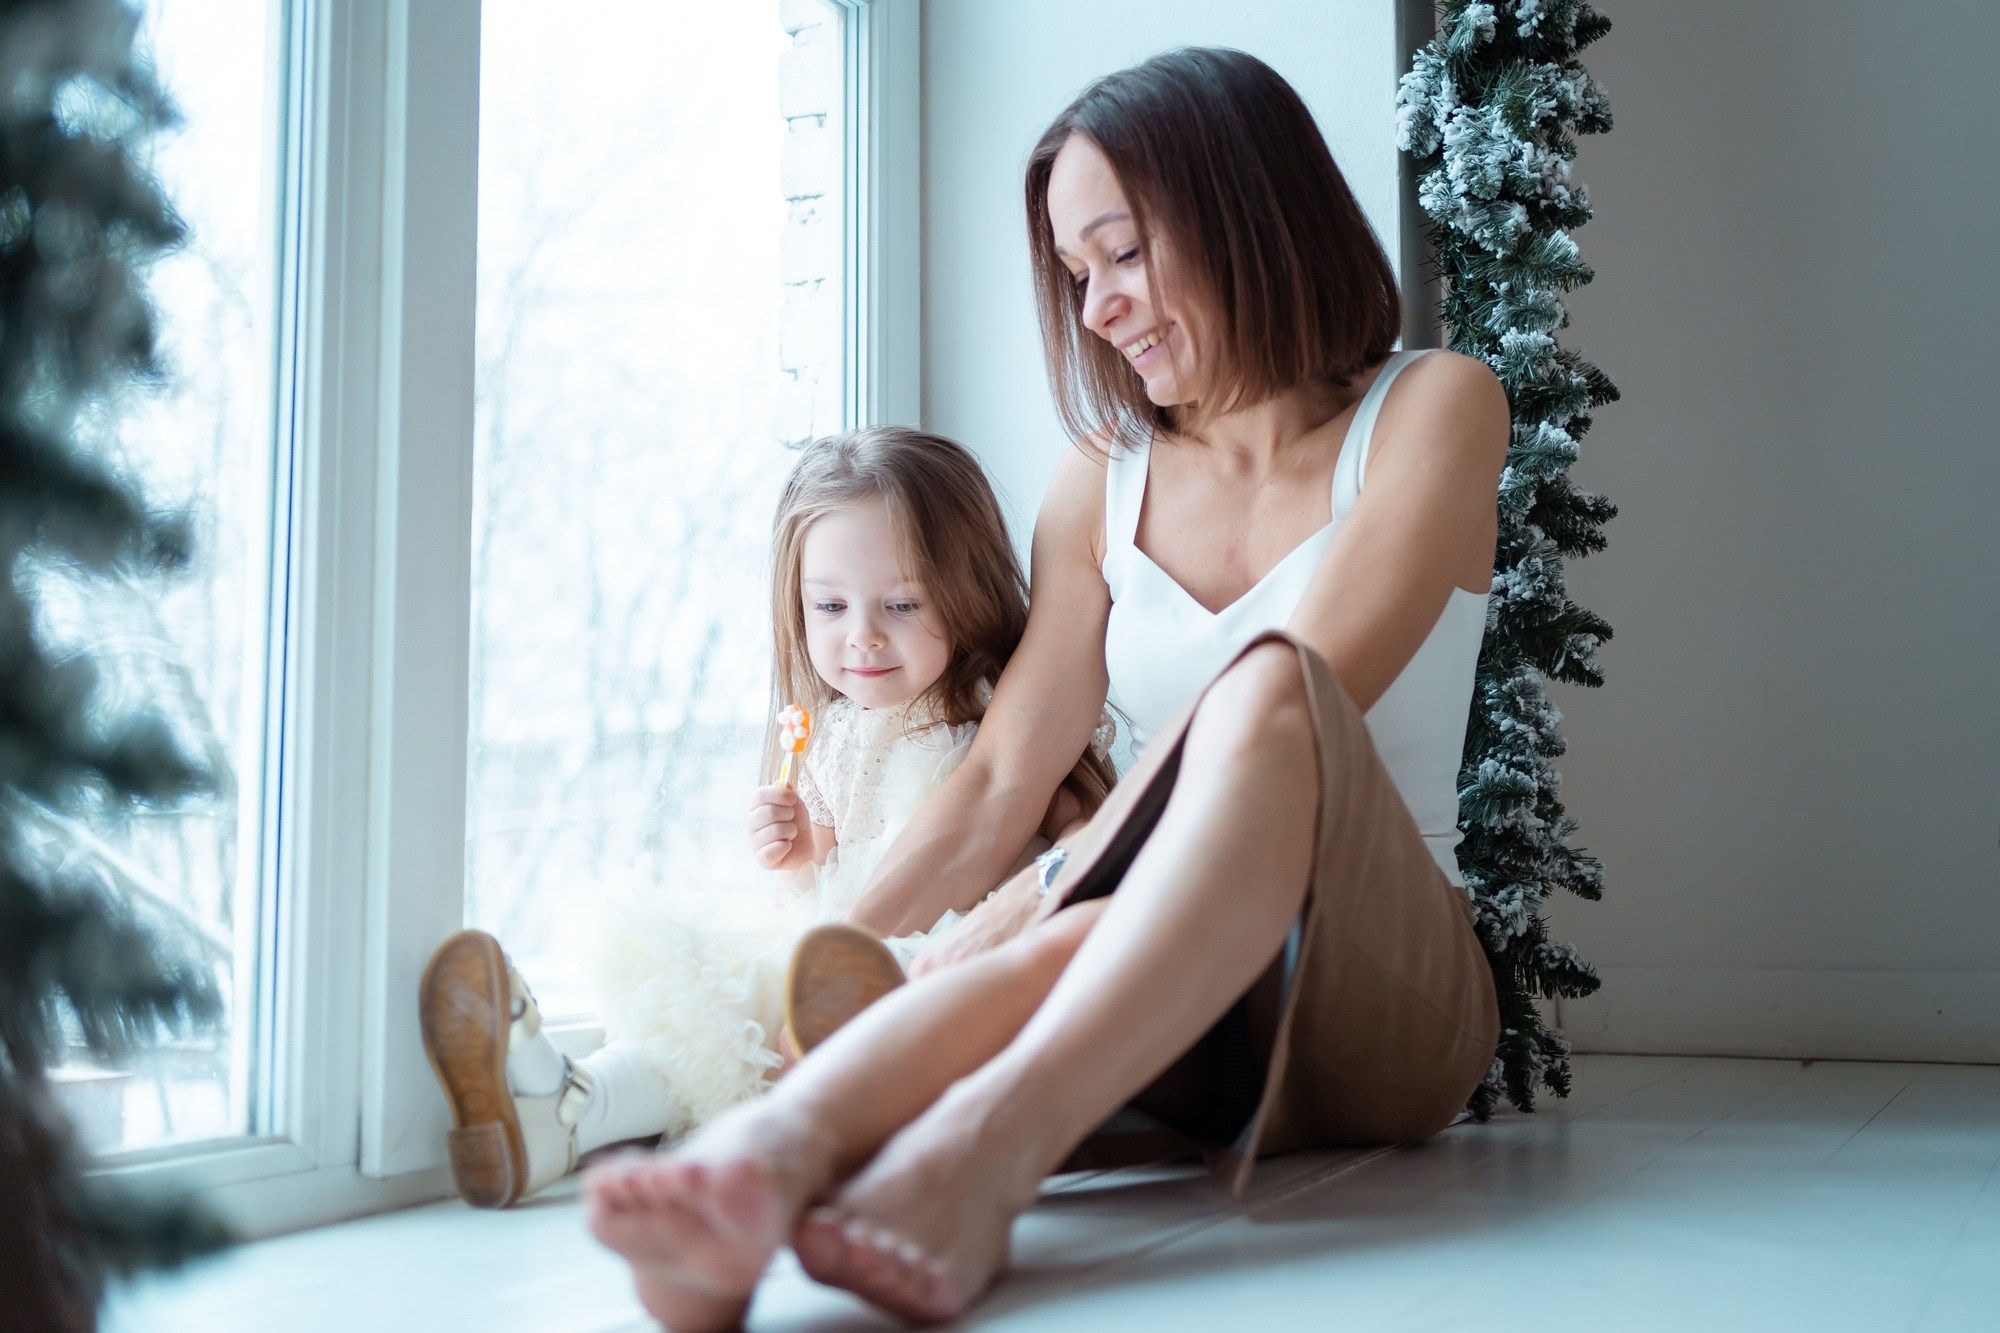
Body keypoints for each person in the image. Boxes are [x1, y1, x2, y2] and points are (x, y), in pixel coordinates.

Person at [583, 45, 1509, 1331]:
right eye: (1078, 274)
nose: (1095, 309)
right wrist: (838, 949)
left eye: (1122, 255)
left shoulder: (1435, 408)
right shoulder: (1099, 481)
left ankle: (978, 1154)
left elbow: (1308, 691)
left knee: (1263, 692)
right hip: (1174, 964)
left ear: (1247, 206)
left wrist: (1028, 892)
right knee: (1090, 930)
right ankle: (756, 1160)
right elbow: (997, 783)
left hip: (1391, 996)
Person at [417, 427, 1113, 1210]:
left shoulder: (1004, 721)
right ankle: (566, 1106)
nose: (863, 634)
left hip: (938, 968)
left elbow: (1083, 840)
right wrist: (799, 852)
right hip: (839, 950)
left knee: (767, 994)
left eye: (902, 603)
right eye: (830, 605)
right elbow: (838, 874)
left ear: (967, 588)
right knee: (724, 984)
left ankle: (568, 1108)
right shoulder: (832, 734)